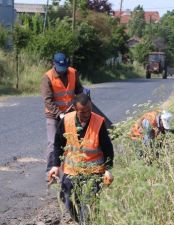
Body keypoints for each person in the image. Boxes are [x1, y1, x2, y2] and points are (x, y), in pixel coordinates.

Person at [48, 93, 114, 223]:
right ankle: (79, 221)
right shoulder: (66, 121)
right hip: (72, 170)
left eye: (89, 110)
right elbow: (58, 144)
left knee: (89, 203)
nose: (87, 114)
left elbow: (108, 148)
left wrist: (108, 169)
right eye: (83, 112)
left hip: (93, 171)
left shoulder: (99, 122)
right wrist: (55, 166)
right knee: (66, 197)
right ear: (74, 108)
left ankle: (86, 221)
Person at [41, 52, 84, 173]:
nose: (62, 71)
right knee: (53, 143)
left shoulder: (73, 73)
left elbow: (79, 90)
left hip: (71, 113)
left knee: (72, 141)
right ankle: (50, 171)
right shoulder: (47, 78)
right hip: (53, 115)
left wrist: (81, 102)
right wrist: (59, 114)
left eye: (64, 68)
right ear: (53, 64)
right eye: (60, 68)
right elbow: (47, 101)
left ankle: (71, 170)